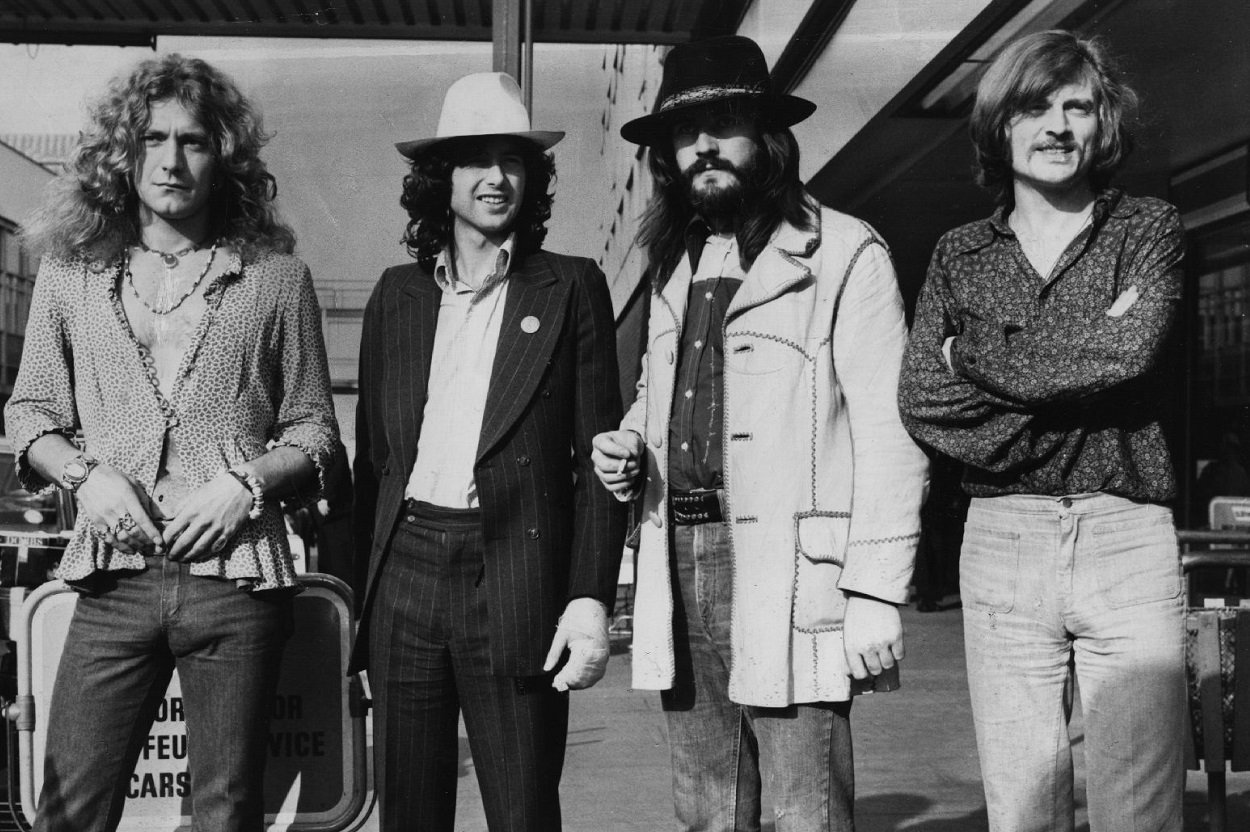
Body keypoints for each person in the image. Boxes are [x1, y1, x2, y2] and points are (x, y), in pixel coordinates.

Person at [592, 36, 928, 832]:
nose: (703, 146)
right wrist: (629, 441)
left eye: (726, 123)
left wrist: (877, 590)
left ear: (769, 138)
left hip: (787, 564)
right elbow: (659, 395)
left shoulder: (845, 252)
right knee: (708, 810)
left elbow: (891, 428)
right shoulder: (676, 264)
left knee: (803, 807)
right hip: (679, 552)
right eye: (684, 133)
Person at [5, 54, 339, 832]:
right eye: (153, 138)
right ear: (123, 153)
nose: (172, 159)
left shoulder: (276, 277)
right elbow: (30, 412)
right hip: (110, 579)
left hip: (238, 579)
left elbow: (316, 429)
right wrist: (87, 478)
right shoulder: (70, 272)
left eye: (192, 140)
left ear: (222, 154)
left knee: (223, 814)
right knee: (70, 807)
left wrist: (246, 486)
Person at [898, 30, 1187, 832]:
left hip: (1125, 533)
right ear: (1000, 125)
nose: (1058, 125)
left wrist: (975, 355)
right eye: (1035, 106)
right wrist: (1079, 373)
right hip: (1003, 537)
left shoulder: (1147, 230)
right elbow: (924, 402)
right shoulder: (959, 255)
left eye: (1078, 106)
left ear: (1103, 125)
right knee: (1023, 806)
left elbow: (1126, 353)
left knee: (1141, 809)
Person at [350, 72, 626, 832]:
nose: (496, 178)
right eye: (475, 161)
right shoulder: (395, 296)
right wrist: (353, 604)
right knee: (408, 811)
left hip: (513, 575)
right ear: (442, 181)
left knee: (523, 809)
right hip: (404, 572)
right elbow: (367, 464)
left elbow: (598, 466)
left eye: (512, 161)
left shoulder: (571, 287)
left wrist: (589, 597)